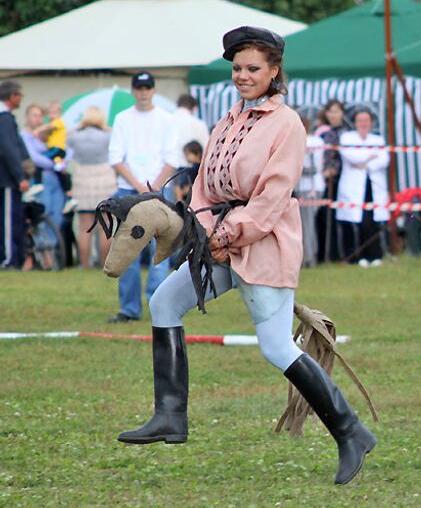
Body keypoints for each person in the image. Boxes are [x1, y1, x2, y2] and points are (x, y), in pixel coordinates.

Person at [116, 26, 376, 485]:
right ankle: (170, 416)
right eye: (236, 68)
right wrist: (202, 226)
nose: (242, 76)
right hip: (217, 242)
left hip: (264, 246)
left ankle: (351, 432)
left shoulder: (287, 124)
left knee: (276, 347)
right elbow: (202, 185)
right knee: (163, 303)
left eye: (253, 68)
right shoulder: (227, 120)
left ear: (274, 70)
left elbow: (273, 198)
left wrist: (229, 233)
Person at [107, 71, 178, 322]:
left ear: (154, 90)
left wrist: (153, 187)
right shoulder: (122, 119)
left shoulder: (166, 119)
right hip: (128, 190)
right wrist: (139, 185)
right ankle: (129, 308)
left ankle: (158, 304)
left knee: (161, 249)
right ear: (134, 91)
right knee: (126, 250)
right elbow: (115, 157)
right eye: (140, 88)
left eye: (148, 87)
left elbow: (172, 158)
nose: (144, 92)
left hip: (158, 190)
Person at [336, 109, 390, 267]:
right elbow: (351, 156)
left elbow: (384, 159)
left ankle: (374, 256)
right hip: (352, 187)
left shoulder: (377, 139)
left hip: (372, 186)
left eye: (367, 120)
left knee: (371, 222)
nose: (364, 124)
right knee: (352, 223)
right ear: (355, 123)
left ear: (371, 122)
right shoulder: (347, 137)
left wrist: (365, 164)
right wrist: (371, 156)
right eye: (360, 120)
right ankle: (354, 257)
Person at [66, 107, 115, 268]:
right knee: (105, 226)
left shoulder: (75, 136)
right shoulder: (107, 135)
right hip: (104, 178)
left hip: (83, 180)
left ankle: (85, 264)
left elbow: (67, 139)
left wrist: (80, 126)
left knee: (84, 226)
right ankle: (104, 263)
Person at [21, 103, 66, 268]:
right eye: (34, 115)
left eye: (40, 115)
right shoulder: (25, 136)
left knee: (56, 215)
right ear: (27, 116)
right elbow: (33, 157)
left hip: (54, 179)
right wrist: (53, 164)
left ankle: (52, 251)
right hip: (39, 178)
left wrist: (62, 161)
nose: (38, 119)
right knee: (42, 214)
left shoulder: (46, 135)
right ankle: (43, 256)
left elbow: (62, 148)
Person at [0, 80, 30, 269]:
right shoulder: (4, 118)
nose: (21, 99)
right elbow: (9, 149)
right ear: (12, 97)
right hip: (7, 179)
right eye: (20, 95)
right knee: (9, 222)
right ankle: (8, 259)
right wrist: (19, 176)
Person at [316, 99, 348, 263]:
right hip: (323, 180)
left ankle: (339, 254)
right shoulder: (322, 132)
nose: (333, 115)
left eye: (336, 111)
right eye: (331, 111)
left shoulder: (347, 132)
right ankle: (323, 254)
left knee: (339, 217)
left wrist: (334, 169)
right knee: (322, 218)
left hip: (341, 179)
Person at [297, 115, 325, 267]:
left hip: (307, 187)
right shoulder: (317, 141)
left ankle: (308, 258)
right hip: (314, 186)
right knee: (308, 223)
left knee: (306, 224)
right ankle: (309, 255)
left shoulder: (305, 141)